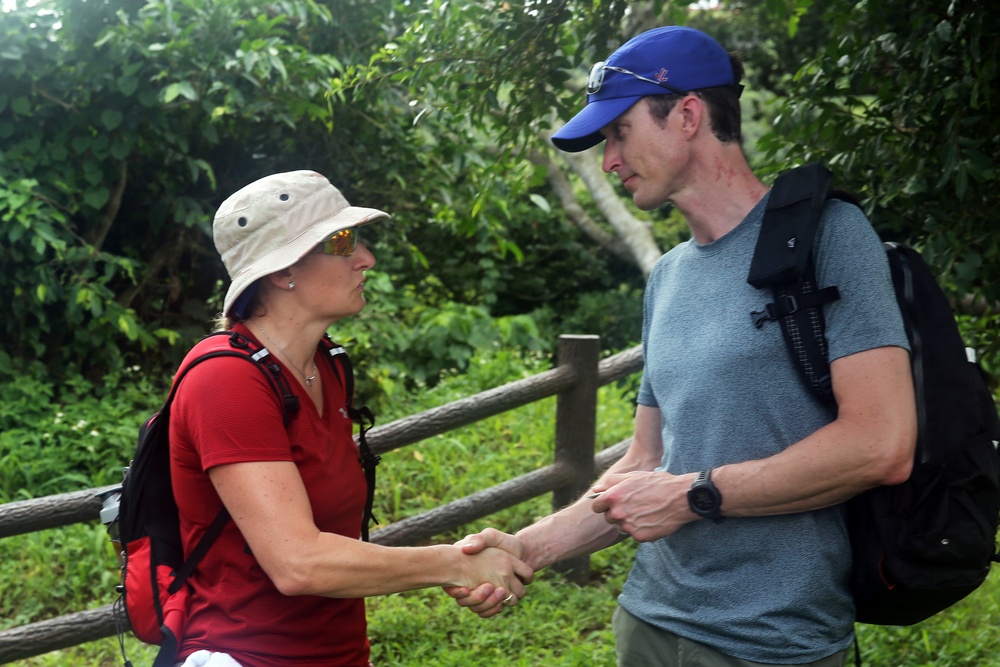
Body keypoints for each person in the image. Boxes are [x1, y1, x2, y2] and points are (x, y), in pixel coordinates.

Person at [448, 26, 917, 667]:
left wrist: (695, 496)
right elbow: (646, 459)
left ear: (688, 114)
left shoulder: (830, 237)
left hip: (773, 641)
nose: (609, 159)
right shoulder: (668, 276)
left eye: (619, 132)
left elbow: (881, 445)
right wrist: (530, 548)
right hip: (647, 621)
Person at [169, 170, 532, 667]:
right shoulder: (225, 383)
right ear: (281, 271)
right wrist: (453, 564)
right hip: (244, 655)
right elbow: (298, 563)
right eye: (342, 241)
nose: (366, 258)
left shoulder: (328, 364)